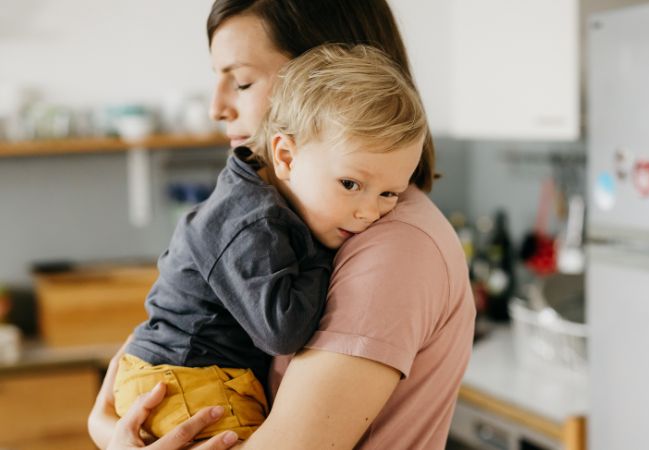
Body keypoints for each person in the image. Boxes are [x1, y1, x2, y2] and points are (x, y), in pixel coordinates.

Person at [88, 1, 476, 449]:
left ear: (324, 79)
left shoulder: (391, 244)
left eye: (243, 80)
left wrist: (105, 428)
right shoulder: (283, 211)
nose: (217, 107)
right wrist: (105, 427)